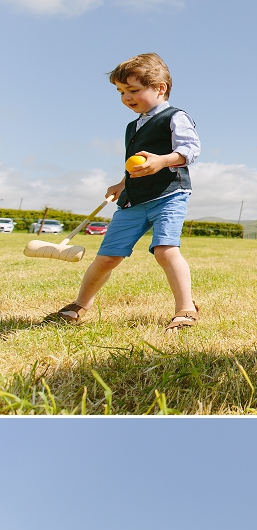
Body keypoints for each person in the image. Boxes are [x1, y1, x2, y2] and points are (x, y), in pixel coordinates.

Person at [52, 53, 200, 331]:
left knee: (165, 251)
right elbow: (136, 164)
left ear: (160, 88)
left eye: (133, 90)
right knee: (107, 257)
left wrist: (162, 160)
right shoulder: (133, 126)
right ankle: (81, 304)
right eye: (121, 92)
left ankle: (185, 309)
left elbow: (190, 150)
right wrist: (122, 183)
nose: (126, 97)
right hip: (133, 200)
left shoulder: (175, 117)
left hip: (169, 194)